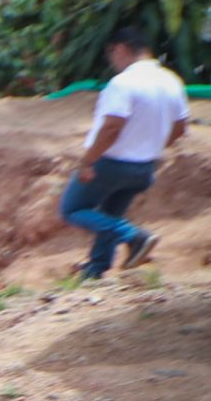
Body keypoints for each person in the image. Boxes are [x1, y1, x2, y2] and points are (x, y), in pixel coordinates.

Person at [60, 26, 189, 278]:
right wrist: (152, 145)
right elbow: (180, 127)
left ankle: (134, 237)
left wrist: (87, 161)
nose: (112, 60)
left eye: (111, 53)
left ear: (121, 48)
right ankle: (97, 268)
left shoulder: (123, 83)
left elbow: (111, 127)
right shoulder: (172, 81)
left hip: (111, 163)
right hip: (145, 166)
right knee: (111, 214)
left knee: (71, 209)